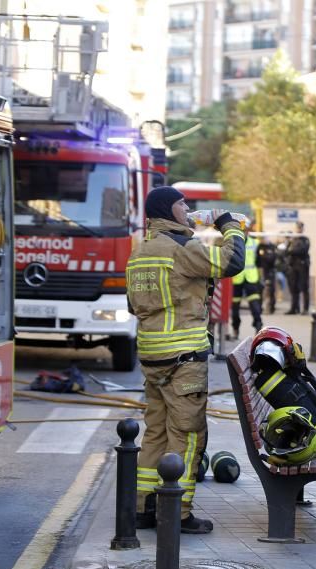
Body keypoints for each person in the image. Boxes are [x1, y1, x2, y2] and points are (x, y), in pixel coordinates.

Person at [127, 186, 246, 534]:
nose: (188, 208)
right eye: (182, 204)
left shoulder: (140, 253)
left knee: (156, 432)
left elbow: (134, 305)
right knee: (188, 434)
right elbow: (231, 263)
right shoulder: (182, 248)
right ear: (168, 210)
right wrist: (230, 225)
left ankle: (143, 507)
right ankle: (176, 514)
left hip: (151, 356)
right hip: (184, 358)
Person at [230, 234, 263, 339]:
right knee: (235, 307)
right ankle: (236, 329)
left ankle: (258, 328)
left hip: (251, 278)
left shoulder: (255, 243)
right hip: (236, 278)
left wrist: (261, 279)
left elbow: (259, 263)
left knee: (255, 305)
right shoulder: (232, 242)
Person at [285, 221, 311, 314]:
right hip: (293, 266)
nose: (298, 229)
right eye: (297, 228)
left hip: (302, 266)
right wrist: (289, 246)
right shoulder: (293, 240)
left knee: (304, 287)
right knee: (294, 288)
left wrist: (291, 250)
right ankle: (294, 308)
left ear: (302, 229)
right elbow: (286, 251)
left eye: (300, 228)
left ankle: (305, 309)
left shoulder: (305, 239)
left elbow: (302, 250)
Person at [256, 236, 278, 315]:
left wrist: (264, 256)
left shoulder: (272, 247)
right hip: (261, 271)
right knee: (260, 290)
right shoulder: (259, 246)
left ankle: (271, 308)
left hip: (270, 272)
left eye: (263, 238)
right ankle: (260, 308)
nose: (262, 240)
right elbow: (257, 259)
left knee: (271, 290)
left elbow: (272, 259)